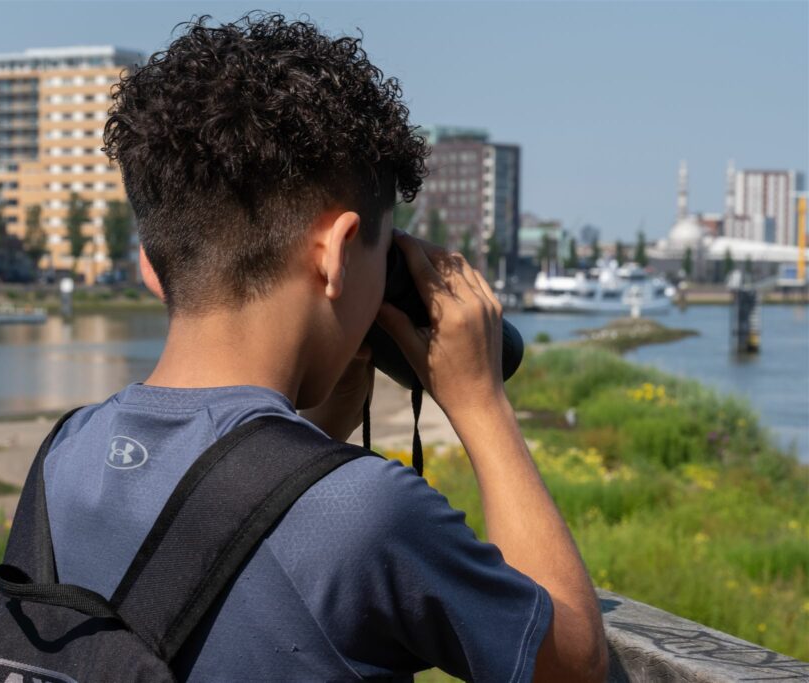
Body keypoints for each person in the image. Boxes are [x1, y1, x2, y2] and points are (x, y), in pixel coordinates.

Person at [43, 12, 608, 682]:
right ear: (337, 255)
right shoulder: (368, 513)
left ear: (149, 263)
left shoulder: (67, 453)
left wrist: (327, 400)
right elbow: (571, 663)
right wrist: (481, 402)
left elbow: (247, 514)